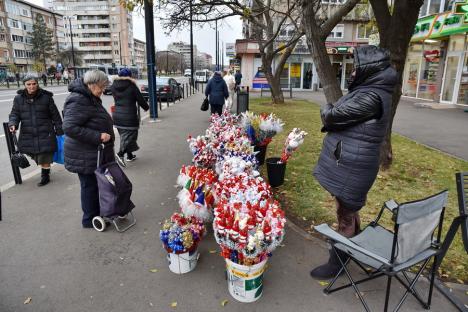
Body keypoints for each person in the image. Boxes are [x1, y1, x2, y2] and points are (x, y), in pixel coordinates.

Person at [310, 45, 398, 279]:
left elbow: (331, 116)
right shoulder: (371, 89)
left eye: (356, 67)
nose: (352, 71)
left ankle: (336, 263)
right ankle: (350, 250)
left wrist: (328, 107)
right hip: (351, 165)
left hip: (354, 169)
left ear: (368, 69)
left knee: (346, 216)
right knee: (347, 209)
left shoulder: (371, 95)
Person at [62, 70, 114, 228]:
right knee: (89, 186)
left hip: (91, 152)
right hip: (84, 153)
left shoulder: (90, 97)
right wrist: (98, 136)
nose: (103, 90)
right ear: (92, 84)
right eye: (102, 86)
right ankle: (90, 219)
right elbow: (69, 127)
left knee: (95, 184)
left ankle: (96, 214)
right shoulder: (79, 99)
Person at [8, 75, 63, 186]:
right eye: (29, 84)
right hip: (28, 132)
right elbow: (15, 113)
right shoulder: (18, 99)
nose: (32, 86)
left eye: (34, 84)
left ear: (37, 84)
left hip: (45, 131)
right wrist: (13, 123)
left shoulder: (46, 97)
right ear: (24, 85)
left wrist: (59, 130)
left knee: (45, 155)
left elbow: (55, 116)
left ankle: (45, 176)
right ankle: (44, 169)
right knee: (35, 154)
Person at [111, 68, 149, 167]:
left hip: (117, 115)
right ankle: (120, 154)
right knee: (130, 135)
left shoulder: (114, 86)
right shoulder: (131, 86)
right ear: (129, 76)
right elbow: (140, 99)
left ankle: (130, 155)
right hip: (129, 116)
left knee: (125, 136)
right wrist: (146, 107)